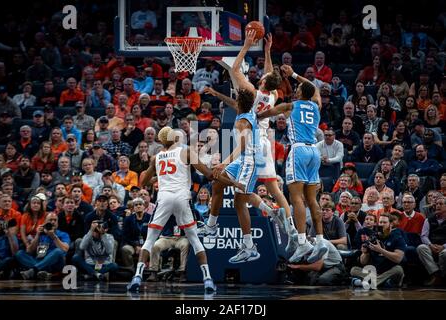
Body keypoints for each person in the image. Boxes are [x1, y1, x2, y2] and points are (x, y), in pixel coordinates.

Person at [204, 31, 297, 250]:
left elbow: (235, 70)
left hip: (252, 141)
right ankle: (290, 225)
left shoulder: (251, 93)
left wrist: (246, 45)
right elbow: (270, 75)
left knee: (240, 194)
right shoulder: (273, 95)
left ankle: (249, 232)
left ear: (263, 82)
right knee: (274, 189)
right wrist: (267, 50)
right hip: (266, 139)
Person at [128, 126, 237, 293]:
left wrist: (159, 177)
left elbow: (144, 181)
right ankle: (207, 279)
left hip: (164, 198)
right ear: (176, 138)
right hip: (181, 197)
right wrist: (233, 183)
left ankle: (137, 276)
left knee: (150, 240)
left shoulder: (156, 157)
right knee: (194, 239)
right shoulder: (186, 152)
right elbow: (208, 175)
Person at [257, 62, 327, 264]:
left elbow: (266, 114)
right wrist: (295, 74)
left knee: (296, 198)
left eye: (296, 89)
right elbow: (313, 89)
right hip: (314, 150)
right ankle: (320, 240)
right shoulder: (316, 105)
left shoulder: (291, 106)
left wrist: (256, 114)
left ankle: (303, 242)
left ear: (299, 94)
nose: (294, 90)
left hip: (298, 151)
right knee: (312, 199)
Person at [350, 213, 406, 288]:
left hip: (389, 271)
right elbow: (363, 262)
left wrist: (381, 250)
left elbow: (398, 259)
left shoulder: (397, 238)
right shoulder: (373, 238)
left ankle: (364, 283)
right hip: (376, 272)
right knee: (354, 270)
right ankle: (381, 282)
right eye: (380, 222)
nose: (382, 224)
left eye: (385, 222)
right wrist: (365, 253)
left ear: (391, 224)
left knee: (399, 270)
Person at [16, 212, 70, 280]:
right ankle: (42, 272)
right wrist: (37, 235)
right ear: (45, 222)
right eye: (50, 220)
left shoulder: (63, 234)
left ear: (58, 223)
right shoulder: (41, 234)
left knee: (58, 251)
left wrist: (54, 237)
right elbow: (29, 251)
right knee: (19, 254)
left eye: (55, 220)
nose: (53, 222)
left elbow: (65, 249)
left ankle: (34, 270)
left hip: (55, 264)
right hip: (41, 261)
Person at [417, 195, 446, 286]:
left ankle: (443, 275)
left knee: (445, 253)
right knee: (421, 247)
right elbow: (423, 236)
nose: (437, 206)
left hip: (444, 246)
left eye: (441, 204)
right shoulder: (428, 219)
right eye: (436, 204)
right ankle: (436, 274)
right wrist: (430, 245)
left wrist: (443, 246)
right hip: (432, 245)